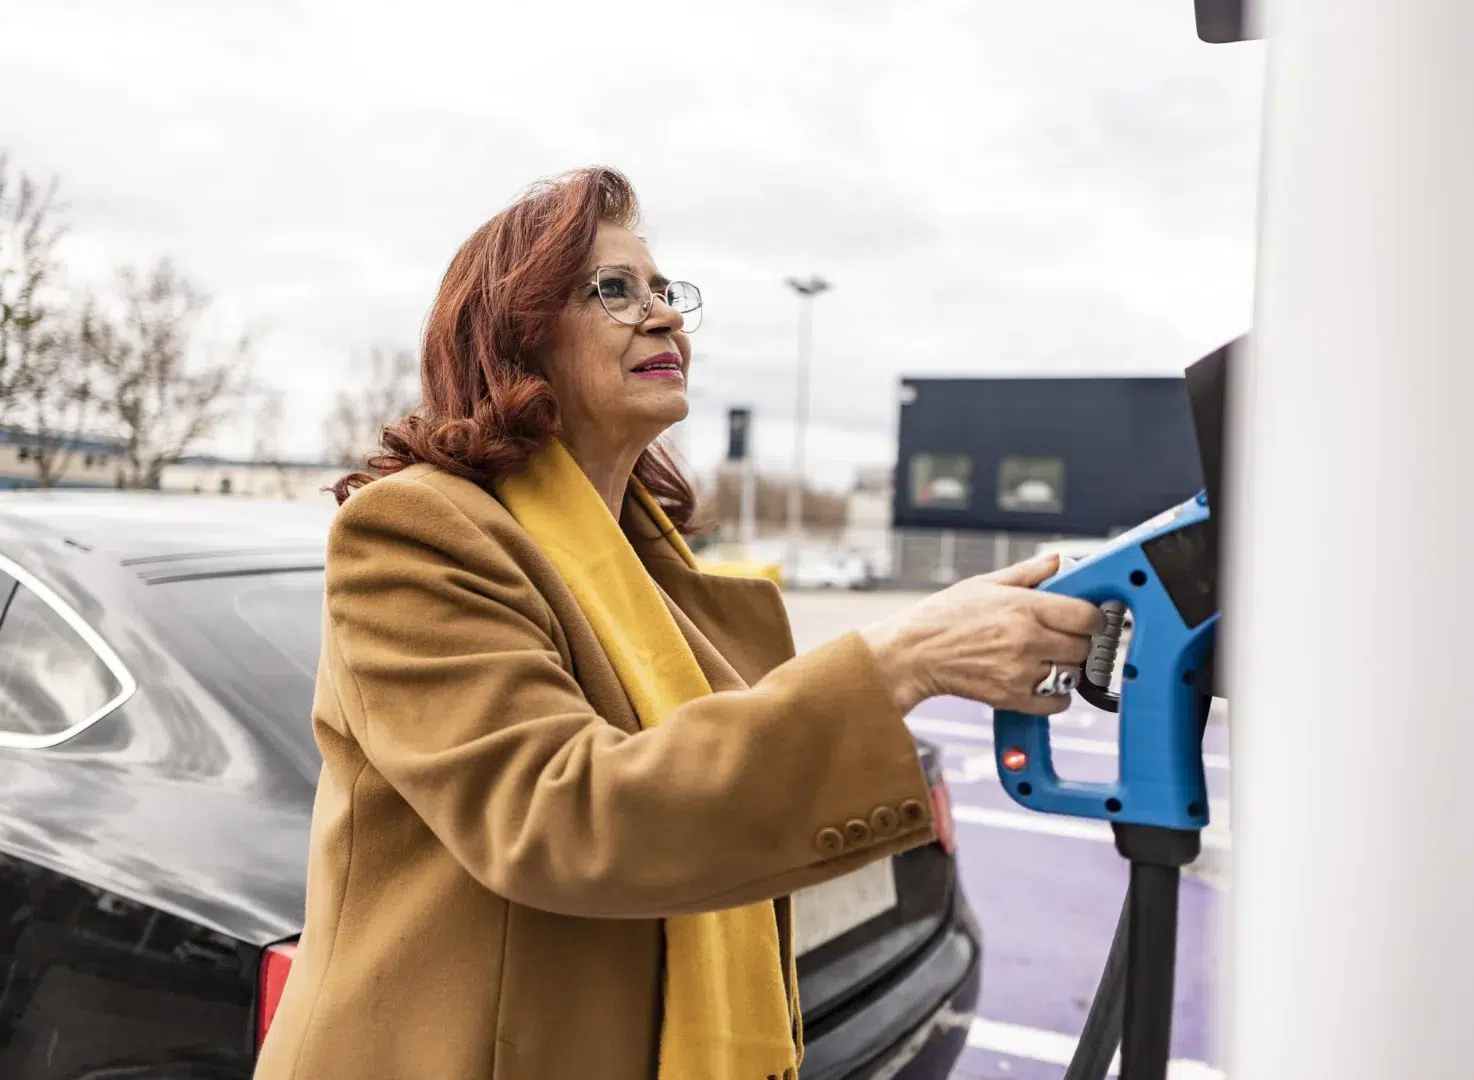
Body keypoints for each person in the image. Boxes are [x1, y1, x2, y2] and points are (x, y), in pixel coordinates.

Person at [253, 167, 1106, 1080]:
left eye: (663, 290)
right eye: (612, 290)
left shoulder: (650, 571)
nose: (662, 316)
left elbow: (711, 780)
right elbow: (560, 816)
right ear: (514, 337)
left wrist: (937, 642)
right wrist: (903, 661)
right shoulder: (413, 531)